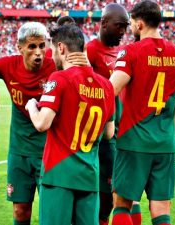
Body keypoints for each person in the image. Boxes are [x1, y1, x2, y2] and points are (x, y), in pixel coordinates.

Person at [0, 22, 88, 225]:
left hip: (52, 152)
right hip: (19, 151)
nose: (38, 52)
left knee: (54, 213)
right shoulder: (7, 65)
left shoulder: (55, 64)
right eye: (31, 47)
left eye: (42, 45)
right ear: (20, 47)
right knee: (21, 211)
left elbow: (82, 73)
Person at [109, 1, 175, 225]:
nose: (130, 29)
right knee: (160, 208)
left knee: (121, 203)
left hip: (134, 141)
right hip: (165, 144)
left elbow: (112, 90)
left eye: (131, 25)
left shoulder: (131, 52)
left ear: (139, 24)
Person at [25, 24, 115, 225]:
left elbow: (41, 123)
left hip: (59, 174)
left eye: (52, 50)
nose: (51, 56)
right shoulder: (106, 85)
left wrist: (32, 106)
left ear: (62, 48)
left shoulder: (59, 78)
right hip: (90, 175)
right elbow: (109, 132)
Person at [85, 3, 129, 225]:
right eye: (119, 25)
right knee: (102, 193)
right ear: (103, 23)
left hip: (120, 132)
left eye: (126, 27)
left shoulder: (121, 52)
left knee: (115, 194)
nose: (123, 31)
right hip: (100, 135)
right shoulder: (91, 50)